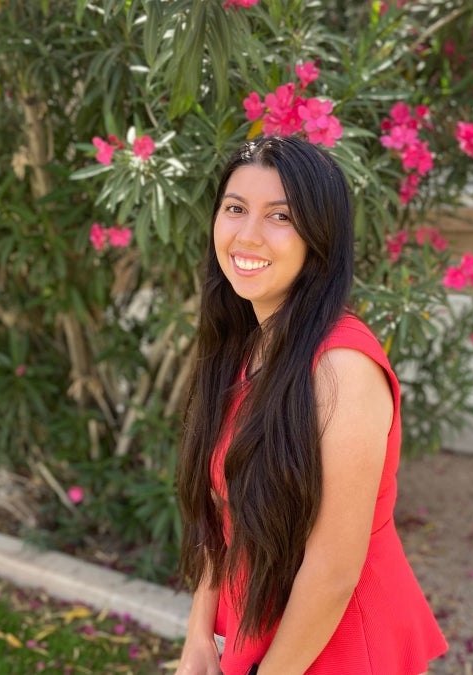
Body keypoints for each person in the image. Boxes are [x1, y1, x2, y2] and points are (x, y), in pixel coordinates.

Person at [175, 135, 448, 675]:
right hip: (268, 625)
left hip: (336, 643)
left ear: (318, 239)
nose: (247, 234)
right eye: (235, 209)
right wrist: (199, 634)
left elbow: (332, 569)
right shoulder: (244, 344)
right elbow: (218, 508)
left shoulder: (341, 368)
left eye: (280, 216)